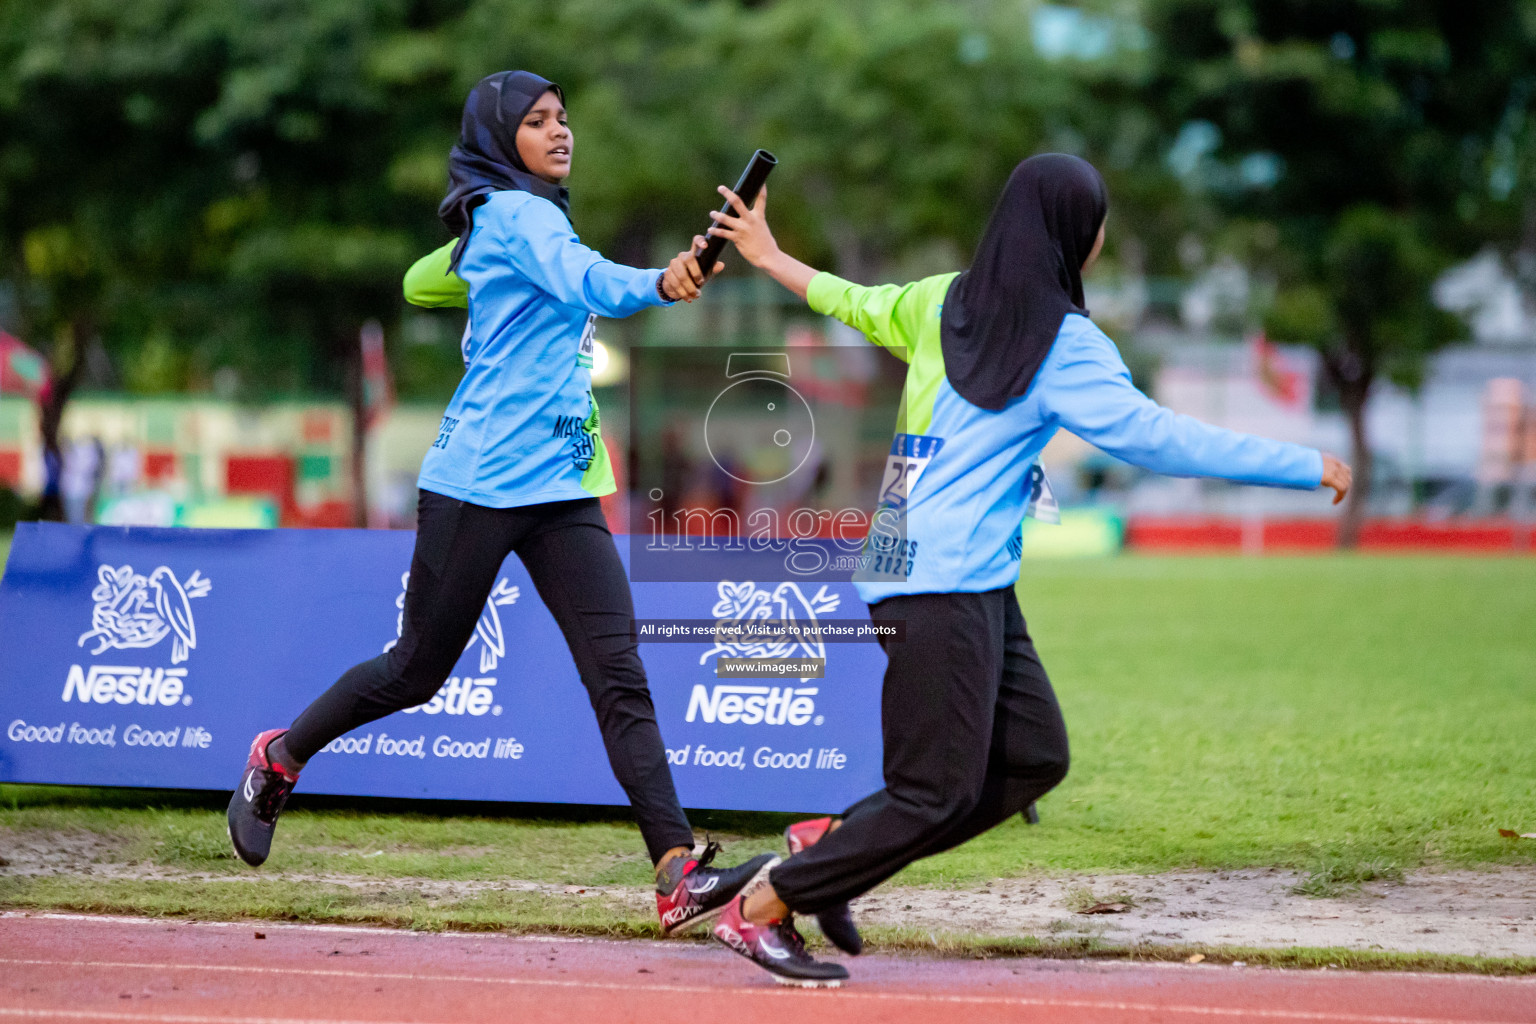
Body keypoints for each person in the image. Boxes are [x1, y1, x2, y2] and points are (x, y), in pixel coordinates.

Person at [700, 153, 1352, 986]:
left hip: (928, 567)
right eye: (1100, 217)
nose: (1104, 232)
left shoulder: (942, 300)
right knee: (931, 791)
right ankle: (766, 907)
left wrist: (769, 255)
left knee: (1034, 754)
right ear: (1074, 232)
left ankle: (828, 850)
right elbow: (1155, 437)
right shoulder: (1065, 345)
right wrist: (1302, 464)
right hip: (942, 579)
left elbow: (850, 301)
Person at [227, 70, 774, 937]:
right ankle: (279, 755)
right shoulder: (518, 216)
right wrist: (659, 283)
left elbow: (433, 282)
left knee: (618, 675)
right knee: (417, 671)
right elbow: (586, 280)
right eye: (536, 122)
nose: (560, 133)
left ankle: (676, 874)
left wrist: (474, 268)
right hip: (477, 483)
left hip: (560, 484)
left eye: (564, 119)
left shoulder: (510, 217)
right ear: (495, 137)